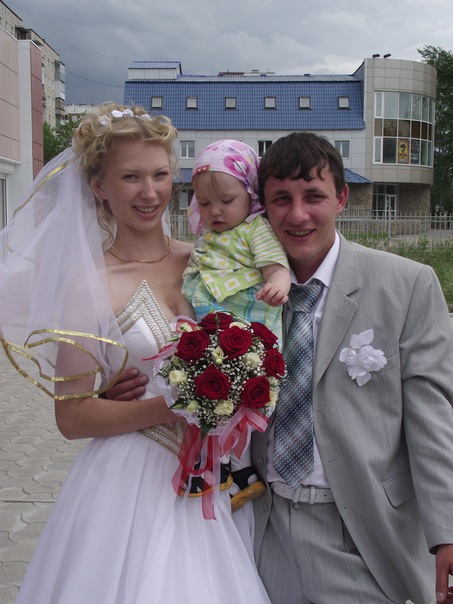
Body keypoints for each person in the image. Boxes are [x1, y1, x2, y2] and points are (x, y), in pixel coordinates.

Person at [0, 104, 271, 604]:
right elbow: (71, 417)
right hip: (133, 486)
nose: (150, 192)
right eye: (130, 177)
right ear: (99, 186)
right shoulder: (88, 285)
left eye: (160, 175)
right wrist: (172, 405)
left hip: (226, 478)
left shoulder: (209, 259)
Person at [251, 131, 453, 604]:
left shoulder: (406, 285)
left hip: (361, 530)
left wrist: (446, 530)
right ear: (263, 207)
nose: (297, 215)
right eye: (281, 199)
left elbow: (433, 419)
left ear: (341, 198)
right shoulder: (243, 291)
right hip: (264, 528)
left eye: (313, 196)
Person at [181, 138, 291, 549]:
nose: (215, 212)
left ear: (250, 194)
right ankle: (221, 470)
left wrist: (278, 286)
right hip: (213, 327)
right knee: (211, 399)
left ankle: (237, 471)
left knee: (237, 404)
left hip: (247, 327)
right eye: (204, 203)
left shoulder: (255, 230)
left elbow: (277, 268)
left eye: (226, 201)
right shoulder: (207, 234)